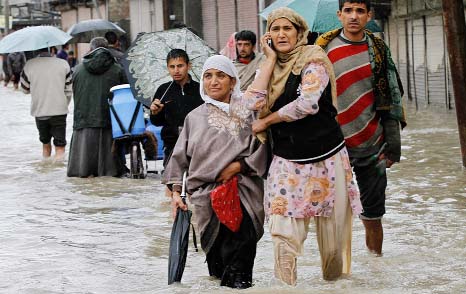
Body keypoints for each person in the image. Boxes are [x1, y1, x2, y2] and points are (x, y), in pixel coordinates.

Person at [246, 7, 362, 284]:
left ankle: (336, 288)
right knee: (282, 234)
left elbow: (308, 104)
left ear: (300, 33)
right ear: (268, 35)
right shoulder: (269, 66)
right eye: (276, 29)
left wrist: (268, 121)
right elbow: (252, 103)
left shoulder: (314, 60)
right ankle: (286, 289)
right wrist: (270, 59)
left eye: (288, 28)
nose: (282, 34)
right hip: (287, 159)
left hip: (327, 157)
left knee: (334, 246)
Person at [163, 54, 270, 289]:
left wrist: (239, 166)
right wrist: (175, 193)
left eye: (221, 76)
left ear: (233, 81)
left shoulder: (249, 114)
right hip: (205, 200)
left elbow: (265, 148)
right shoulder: (194, 118)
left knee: (240, 271)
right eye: (208, 76)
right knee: (217, 271)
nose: (213, 81)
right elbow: (179, 158)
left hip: (243, 193)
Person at [316, 0, 406, 256]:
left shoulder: (378, 50)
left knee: (374, 215)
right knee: (332, 215)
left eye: (359, 11)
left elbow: (393, 99)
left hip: (373, 144)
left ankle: (375, 266)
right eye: (348, 11)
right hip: (333, 146)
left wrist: (392, 149)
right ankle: (339, 274)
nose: (353, 16)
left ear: (369, 15)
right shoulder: (322, 50)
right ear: (339, 15)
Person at [67, 37, 128, 177]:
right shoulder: (117, 69)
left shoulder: (77, 70)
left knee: (82, 175)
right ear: (108, 49)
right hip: (109, 121)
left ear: (90, 49)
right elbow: (124, 94)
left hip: (83, 121)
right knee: (109, 173)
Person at [149, 49, 204, 168]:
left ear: (188, 66)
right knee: (171, 183)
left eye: (180, 66)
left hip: (197, 144)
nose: (176, 71)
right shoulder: (163, 90)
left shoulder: (201, 89)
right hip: (171, 145)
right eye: (172, 67)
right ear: (167, 68)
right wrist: (155, 113)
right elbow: (157, 122)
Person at [20, 48, 72, 161]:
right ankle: (57, 175)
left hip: (40, 111)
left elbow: (24, 89)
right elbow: (69, 89)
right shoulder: (63, 64)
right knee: (60, 146)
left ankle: (45, 174)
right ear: (51, 50)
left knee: (45, 145)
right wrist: (63, 104)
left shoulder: (29, 65)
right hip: (59, 111)